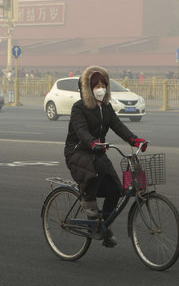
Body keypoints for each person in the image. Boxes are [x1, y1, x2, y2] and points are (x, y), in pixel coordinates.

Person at [64, 66, 147, 248]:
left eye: (103, 85)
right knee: (98, 168)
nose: (100, 89)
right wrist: (92, 142)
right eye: (96, 86)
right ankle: (88, 202)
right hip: (78, 152)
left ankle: (103, 226)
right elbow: (81, 131)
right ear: (88, 88)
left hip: (98, 152)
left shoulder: (107, 108)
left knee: (116, 190)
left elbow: (119, 126)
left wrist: (135, 140)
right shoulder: (79, 108)